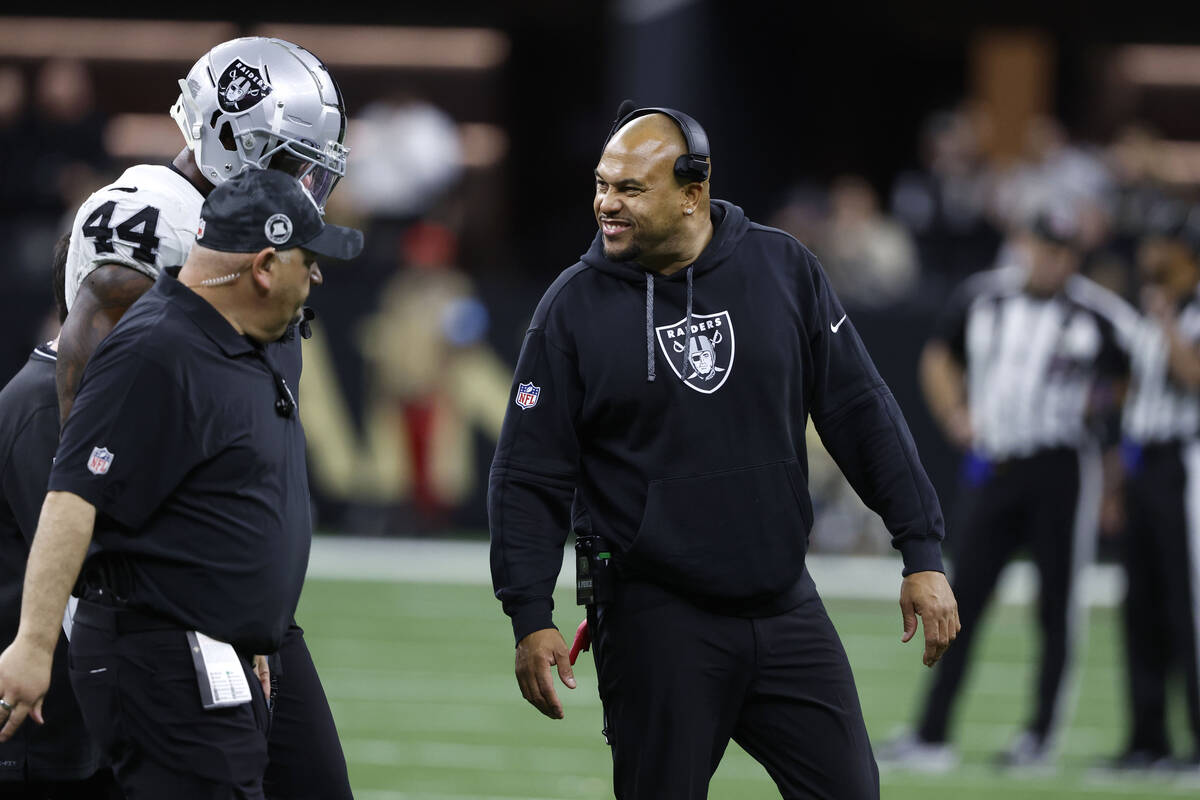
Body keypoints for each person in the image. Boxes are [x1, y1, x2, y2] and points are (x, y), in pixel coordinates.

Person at [488, 104, 960, 799]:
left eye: (628, 189)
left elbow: (860, 412)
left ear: (692, 193)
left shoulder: (783, 266)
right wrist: (530, 614)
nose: (605, 205)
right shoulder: (573, 307)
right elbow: (528, 473)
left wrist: (920, 550)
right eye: (601, 184)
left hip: (784, 602)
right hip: (656, 618)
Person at [0, 169, 362, 798]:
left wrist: (248, 624)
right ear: (264, 265)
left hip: (215, 642)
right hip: (163, 651)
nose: (319, 276)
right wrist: (33, 644)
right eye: (310, 260)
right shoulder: (152, 349)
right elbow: (73, 499)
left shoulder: (224, 345)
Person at [57, 37, 353, 799]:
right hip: (170, 604)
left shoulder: (246, 223)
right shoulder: (159, 220)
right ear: (234, 144)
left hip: (237, 600)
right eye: (292, 161)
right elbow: (89, 398)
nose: (309, 184)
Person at [880, 210, 1136, 770]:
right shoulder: (984, 298)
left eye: (1063, 251)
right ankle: (931, 733)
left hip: (1063, 466)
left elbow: (1131, 379)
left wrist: (1108, 439)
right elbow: (939, 355)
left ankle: (1041, 737)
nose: (1052, 261)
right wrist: (955, 415)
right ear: (1024, 245)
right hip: (996, 464)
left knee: (1057, 605)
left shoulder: (1100, 313)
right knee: (961, 595)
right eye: (1043, 247)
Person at [0, 235, 120, 798]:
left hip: (80, 703)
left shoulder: (95, 393)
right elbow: (82, 570)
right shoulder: (41, 406)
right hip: (43, 724)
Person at [1108, 211, 1200, 771]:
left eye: (1160, 245)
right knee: (1138, 603)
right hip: (1144, 462)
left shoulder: (1182, 312)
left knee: (1186, 604)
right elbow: (1135, 399)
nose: (1149, 254)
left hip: (1185, 462)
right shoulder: (1148, 309)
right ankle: (1148, 737)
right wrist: (1117, 480)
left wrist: (1167, 323)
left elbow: (1194, 378)